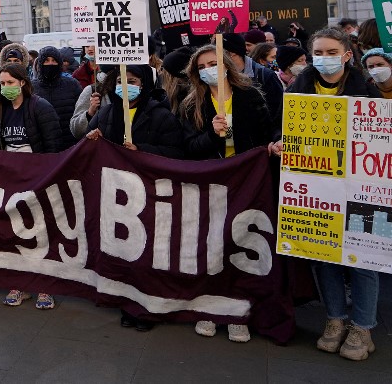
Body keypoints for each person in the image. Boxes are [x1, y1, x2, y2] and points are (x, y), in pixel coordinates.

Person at [285, 27, 381, 361]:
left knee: (363, 258)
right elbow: (282, 126)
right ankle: (335, 319)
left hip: (360, 189)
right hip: (318, 187)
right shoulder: (298, 88)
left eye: (330, 53)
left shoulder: (366, 91)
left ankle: (362, 325)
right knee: (323, 254)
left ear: (346, 55)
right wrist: (279, 141)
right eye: (318, 53)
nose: (323, 59)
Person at [178, 46, 279, 344]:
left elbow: (268, 131)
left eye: (214, 62)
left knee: (243, 246)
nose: (209, 68)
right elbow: (189, 149)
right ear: (196, 73)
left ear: (225, 65)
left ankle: (238, 312)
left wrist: (273, 145)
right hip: (211, 184)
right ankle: (209, 306)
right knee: (210, 247)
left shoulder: (250, 95)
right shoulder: (191, 105)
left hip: (248, 184)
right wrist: (211, 134)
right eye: (203, 66)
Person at [85, 64, 182, 332]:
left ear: (145, 84)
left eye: (133, 80)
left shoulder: (161, 115)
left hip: (149, 196)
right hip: (116, 196)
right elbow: (85, 141)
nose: (126, 85)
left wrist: (142, 150)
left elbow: (177, 153)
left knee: (147, 251)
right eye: (121, 79)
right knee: (122, 250)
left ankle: (146, 306)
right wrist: (92, 138)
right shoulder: (107, 112)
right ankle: (125, 300)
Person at [0, 62, 60, 309]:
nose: (6, 87)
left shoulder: (40, 108)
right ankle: (19, 283)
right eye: (2, 83)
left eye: (10, 82)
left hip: (39, 179)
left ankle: (46, 286)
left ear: (22, 82)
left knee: (42, 233)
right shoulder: (0, 109)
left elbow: (53, 146)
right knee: (16, 232)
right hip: (11, 179)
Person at [221, 33, 285, 128]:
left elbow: (279, 112)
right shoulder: (219, 76)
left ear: (232, 54)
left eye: (217, 53)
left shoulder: (265, 75)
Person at [32, 47, 81, 151]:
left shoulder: (72, 85)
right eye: (46, 60)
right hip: (42, 147)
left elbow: (80, 113)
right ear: (40, 63)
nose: (50, 64)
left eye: (54, 60)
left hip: (70, 146)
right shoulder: (31, 87)